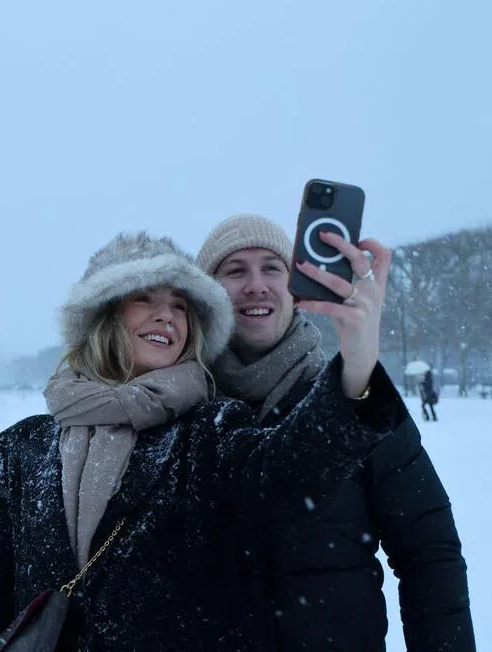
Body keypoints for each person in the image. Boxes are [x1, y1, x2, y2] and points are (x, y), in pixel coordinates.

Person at [0, 231, 405, 651]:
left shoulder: (213, 430)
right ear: (100, 316)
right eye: (143, 297)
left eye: (180, 305)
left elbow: (291, 474)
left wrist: (358, 360)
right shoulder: (18, 448)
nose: (165, 314)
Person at [197, 214, 474, 652]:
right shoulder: (184, 410)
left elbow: (429, 552)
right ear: (207, 295)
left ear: (294, 285)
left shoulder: (361, 394)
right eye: (235, 271)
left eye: (272, 267)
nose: (256, 284)